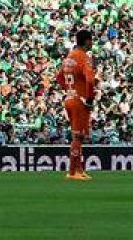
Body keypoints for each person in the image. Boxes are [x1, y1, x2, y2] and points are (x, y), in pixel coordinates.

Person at [56, 29, 96, 181]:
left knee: (79, 135)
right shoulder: (83, 58)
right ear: (86, 41)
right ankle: (72, 172)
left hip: (70, 98)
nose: (92, 43)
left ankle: (79, 168)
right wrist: (89, 98)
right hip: (80, 100)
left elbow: (59, 77)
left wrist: (69, 90)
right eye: (91, 40)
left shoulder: (69, 57)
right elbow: (90, 80)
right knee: (78, 136)